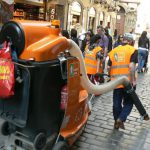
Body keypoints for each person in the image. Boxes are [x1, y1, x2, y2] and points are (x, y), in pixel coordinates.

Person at [107, 33, 138, 130]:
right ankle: (121, 118)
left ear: (123, 40)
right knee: (129, 102)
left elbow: (108, 67)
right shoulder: (133, 50)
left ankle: (116, 121)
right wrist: (133, 81)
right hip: (127, 82)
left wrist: (110, 76)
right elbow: (131, 66)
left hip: (116, 82)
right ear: (130, 42)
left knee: (116, 103)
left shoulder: (114, 51)